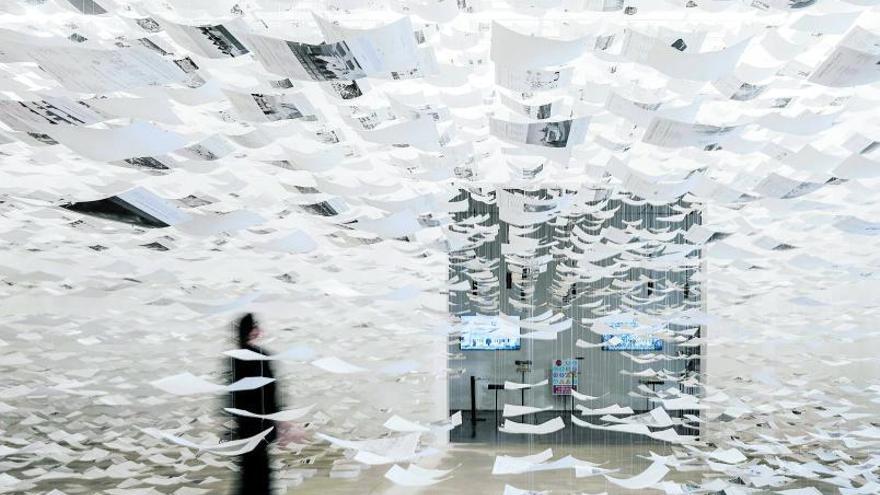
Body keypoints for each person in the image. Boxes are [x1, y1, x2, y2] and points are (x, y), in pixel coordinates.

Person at [228, 313, 280, 495]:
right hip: (260, 426)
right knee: (260, 475)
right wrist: (277, 421)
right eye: (256, 326)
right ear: (252, 330)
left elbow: (231, 395)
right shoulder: (260, 357)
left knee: (248, 475)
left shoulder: (234, 357)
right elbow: (270, 392)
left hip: (244, 427)